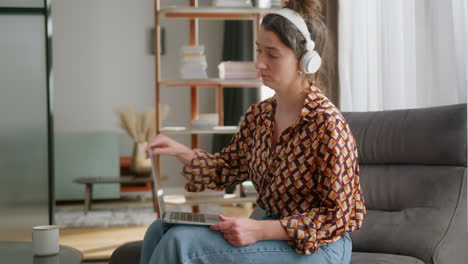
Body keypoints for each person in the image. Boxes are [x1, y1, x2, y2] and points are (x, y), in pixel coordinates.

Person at [141, 1, 366, 263]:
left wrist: (260, 229)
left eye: (272, 54)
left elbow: (337, 216)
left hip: (319, 246)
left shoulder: (328, 125)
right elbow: (225, 169)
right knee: (159, 230)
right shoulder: (259, 116)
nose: (259, 63)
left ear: (305, 61)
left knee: (181, 243)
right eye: (259, 51)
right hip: (268, 229)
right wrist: (180, 151)